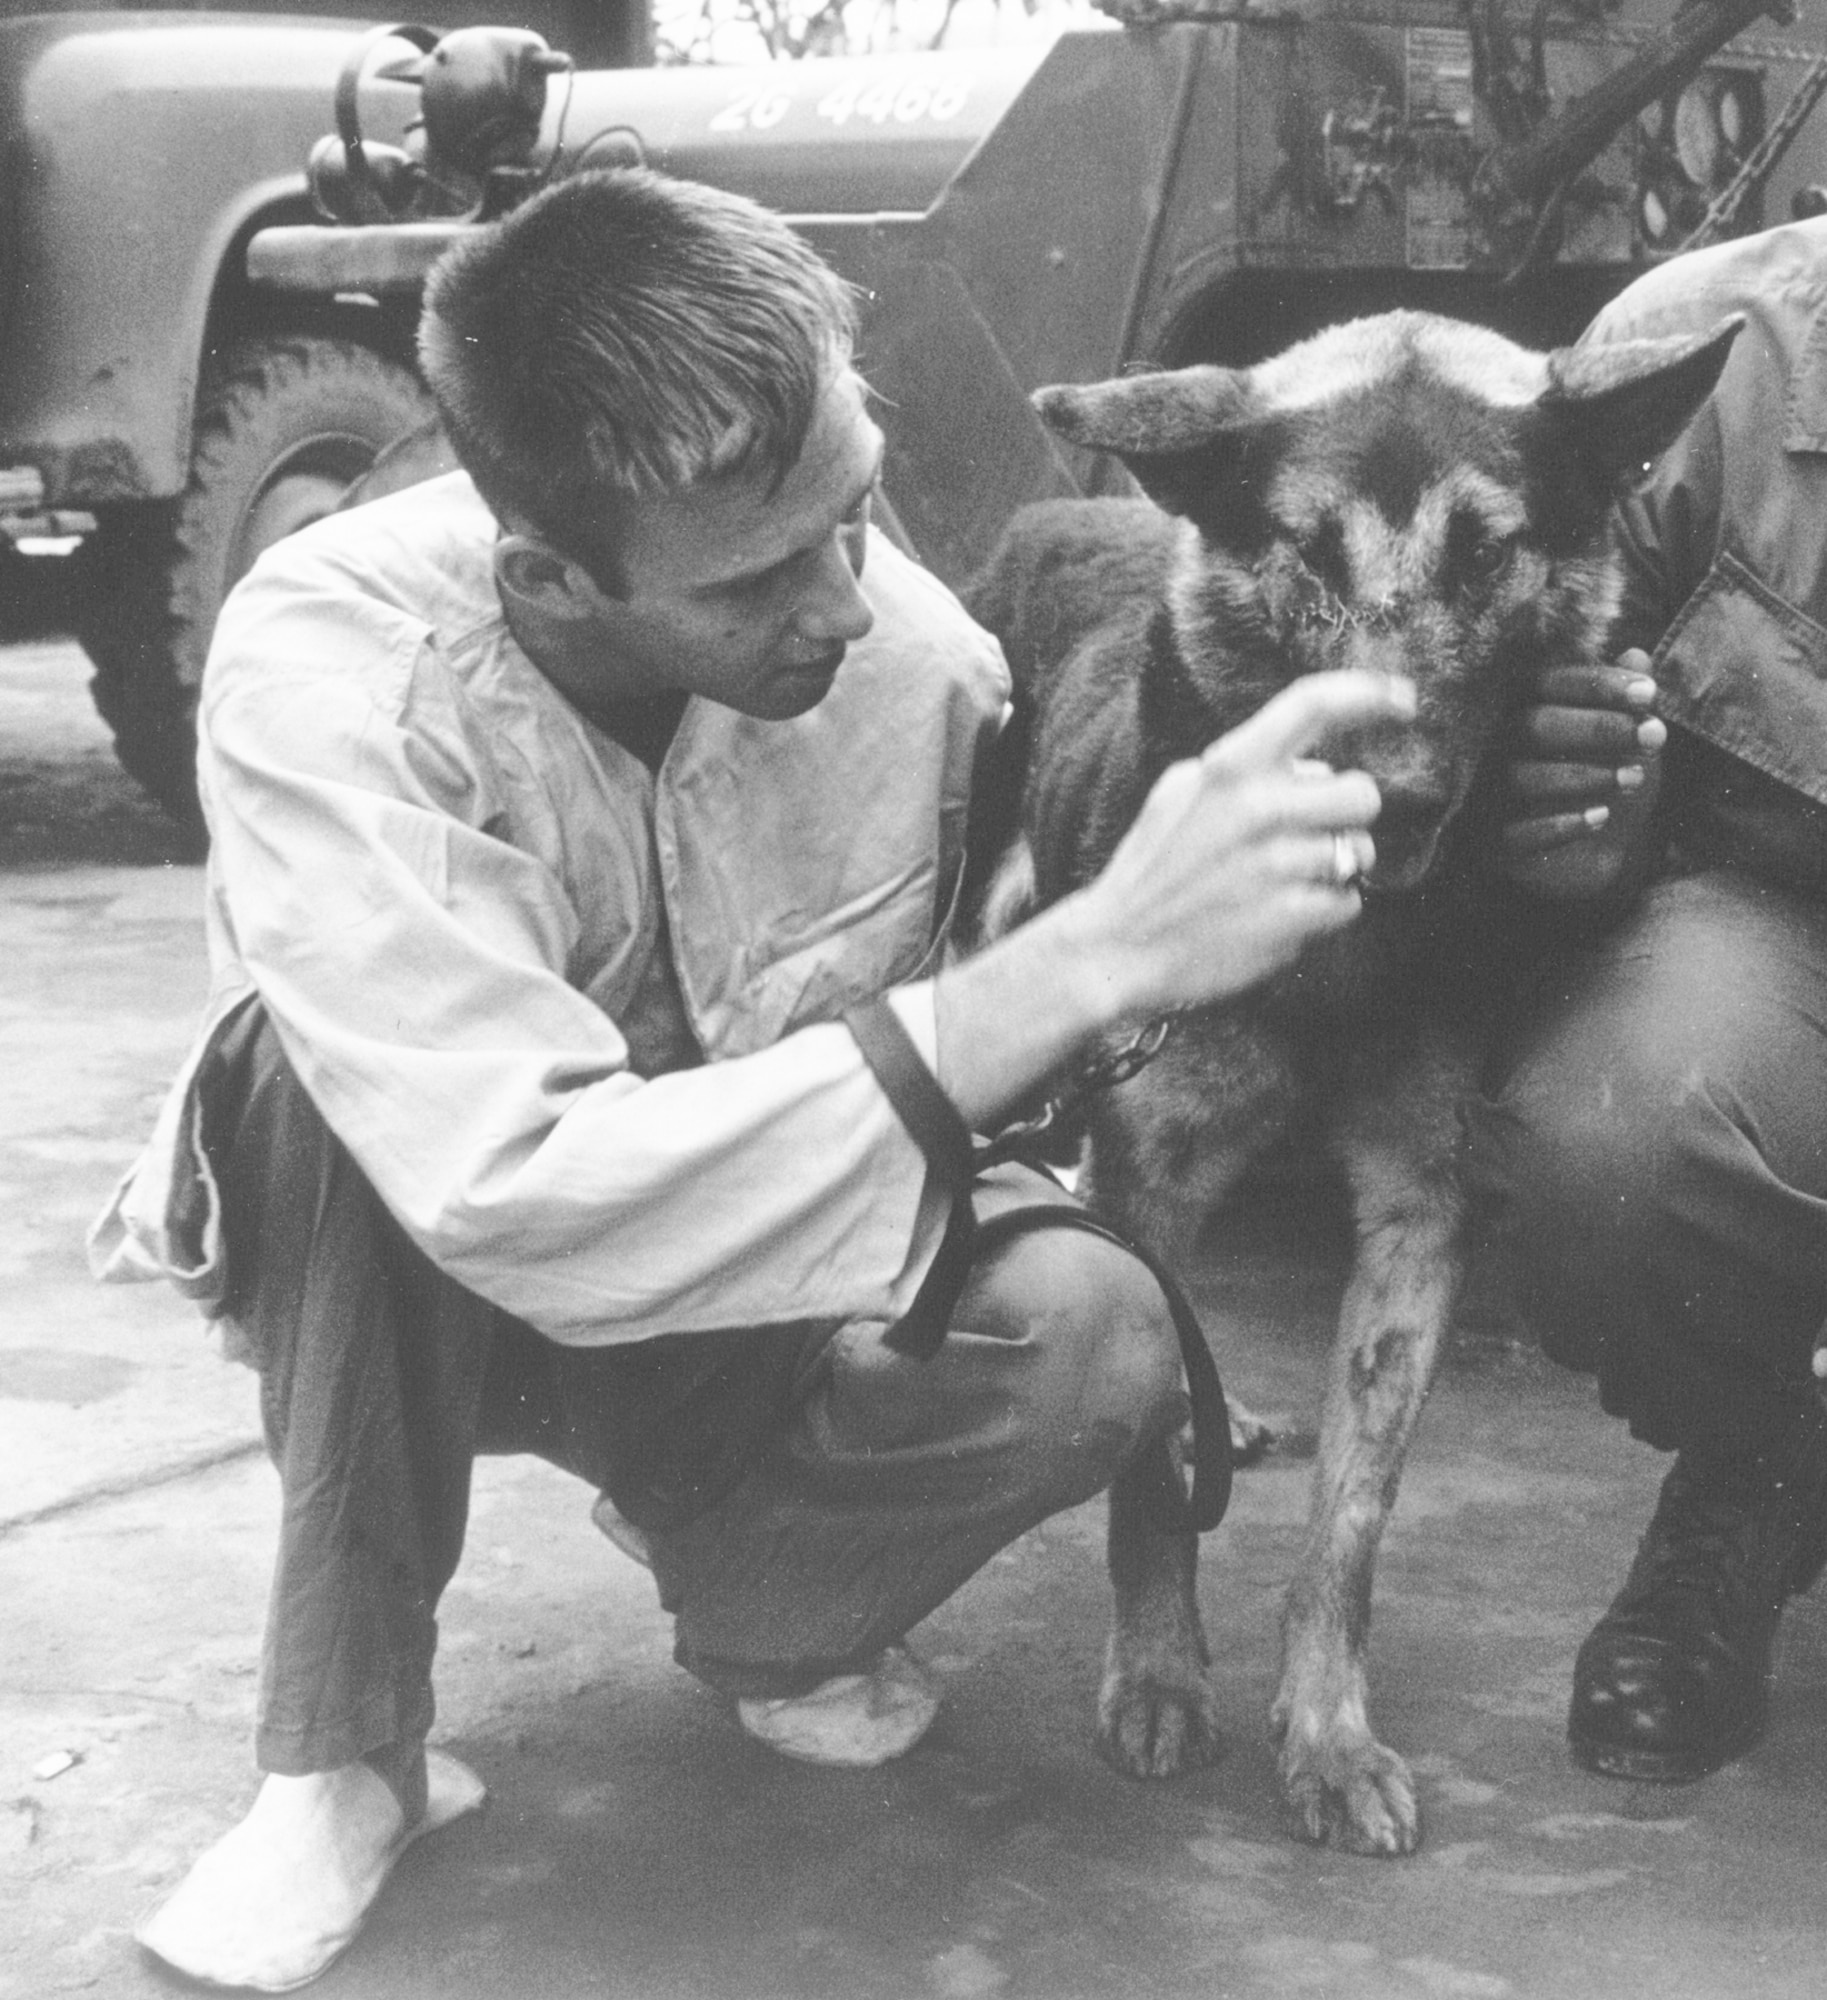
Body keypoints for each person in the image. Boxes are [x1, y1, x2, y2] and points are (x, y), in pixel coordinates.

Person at [88, 167, 1406, 1992]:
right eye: (761, 574)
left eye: (853, 513)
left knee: (1100, 1332)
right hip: (415, 1294)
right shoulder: (329, 668)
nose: (849, 609)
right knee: (308, 1085)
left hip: (748, 1271)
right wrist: (1091, 953)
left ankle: (767, 1607)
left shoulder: (925, 670)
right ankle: (343, 1756)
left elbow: (958, 1089)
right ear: (550, 572)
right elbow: (506, 1186)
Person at [1470, 215, 1827, 1787]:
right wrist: (1572, 852)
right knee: (1617, 1150)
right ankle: (1757, 1472)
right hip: (1772, 928)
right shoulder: (1693, 363)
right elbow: (1470, 851)